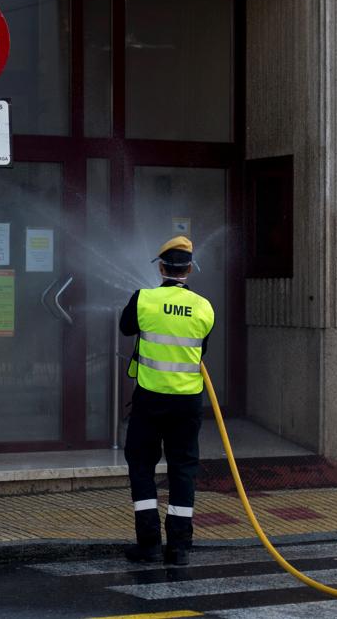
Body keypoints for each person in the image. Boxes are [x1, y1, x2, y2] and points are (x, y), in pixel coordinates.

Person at [119, 235, 216, 566]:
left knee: (142, 464)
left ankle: (148, 543)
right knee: (183, 470)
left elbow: (125, 328)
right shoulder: (204, 307)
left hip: (149, 401)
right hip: (187, 403)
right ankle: (179, 548)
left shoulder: (143, 299)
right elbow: (201, 351)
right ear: (189, 269)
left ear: (161, 267)